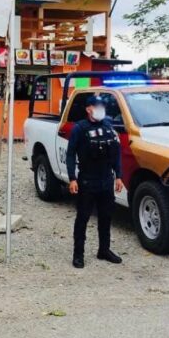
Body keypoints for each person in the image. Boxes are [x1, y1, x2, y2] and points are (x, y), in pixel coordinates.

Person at [66, 95, 123, 268]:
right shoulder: (79, 128)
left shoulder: (108, 127)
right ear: (88, 109)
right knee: (82, 218)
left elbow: (115, 153)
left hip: (106, 180)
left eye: (102, 106)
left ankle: (104, 250)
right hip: (87, 181)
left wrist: (118, 176)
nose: (100, 109)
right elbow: (70, 154)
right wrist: (72, 179)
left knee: (106, 218)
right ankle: (78, 254)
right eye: (96, 106)